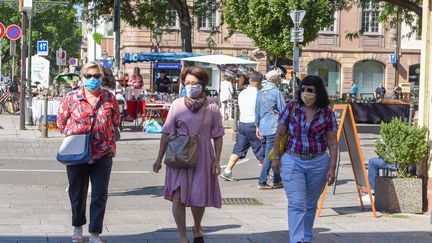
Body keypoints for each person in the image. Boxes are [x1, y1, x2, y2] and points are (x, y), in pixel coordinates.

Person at [152, 66, 224, 243]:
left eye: (195, 83)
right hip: (179, 157)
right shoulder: (177, 105)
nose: (191, 86)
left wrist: (217, 160)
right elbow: (166, 133)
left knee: (198, 197)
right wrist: (159, 158)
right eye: (188, 83)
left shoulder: (212, 107)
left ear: (203, 84)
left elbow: (218, 136)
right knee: (178, 198)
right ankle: (183, 236)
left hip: (202, 157)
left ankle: (197, 226)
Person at [57, 61, 120, 243]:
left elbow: (115, 120)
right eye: (89, 76)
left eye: (97, 76)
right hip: (76, 152)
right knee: (77, 192)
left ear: (102, 77)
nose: (93, 79)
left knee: (100, 193)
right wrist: (76, 135)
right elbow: (61, 122)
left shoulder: (109, 98)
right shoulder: (71, 98)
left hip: (103, 152)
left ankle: (94, 233)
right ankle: (77, 228)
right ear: (82, 77)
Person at [271, 75, 338, 243]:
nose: (305, 93)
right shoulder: (292, 107)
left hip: (318, 162)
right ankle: (297, 239)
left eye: (310, 90)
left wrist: (332, 168)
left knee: (310, 204)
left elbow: (332, 143)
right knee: (296, 204)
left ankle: (306, 237)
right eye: (303, 89)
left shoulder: (327, 113)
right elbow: (279, 134)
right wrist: (276, 158)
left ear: (318, 92)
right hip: (293, 161)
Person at [220, 71, 264, 181]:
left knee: (239, 149)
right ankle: (268, 174)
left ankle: (227, 170)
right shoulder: (259, 94)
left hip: (243, 124)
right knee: (260, 150)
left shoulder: (242, 93)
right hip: (254, 125)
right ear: (260, 82)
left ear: (250, 80)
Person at [255, 70, 286, 189]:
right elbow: (283, 111)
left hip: (263, 127)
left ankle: (277, 180)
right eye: (279, 79)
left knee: (274, 153)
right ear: (276, 80)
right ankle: (262, 181)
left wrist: (257, 126)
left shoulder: (260, 92)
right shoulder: (276, 92)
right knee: (271, 155)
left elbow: (256, 111)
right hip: (274, 127)